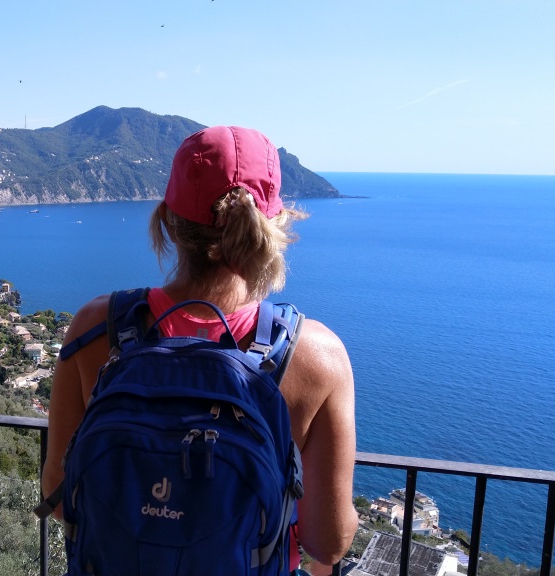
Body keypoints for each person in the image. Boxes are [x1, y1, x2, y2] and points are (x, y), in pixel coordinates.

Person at [42, 125, 358, 573]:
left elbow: (58, 497)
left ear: (168, 221)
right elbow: (327, 543)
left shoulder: (96, 328)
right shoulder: (317, 356)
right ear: (273, 226)